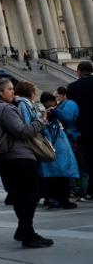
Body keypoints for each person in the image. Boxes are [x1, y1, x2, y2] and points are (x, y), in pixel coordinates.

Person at [0, 78, 49, 247]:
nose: (13, 92)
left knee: (19, 195)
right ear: (0, 92)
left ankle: (23, 230)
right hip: (18, 155)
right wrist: (40, 122)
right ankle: (28, 233)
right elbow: (21, 131)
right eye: (10, 89)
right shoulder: (5, 108)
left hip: (4, 157)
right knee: (31, 193)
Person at [64, 61, 93, 200]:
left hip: (84, 128)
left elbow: (72, 108)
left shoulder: (73, 87)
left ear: (79, 71)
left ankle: (90, 191)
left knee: (88, 161)